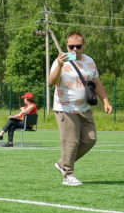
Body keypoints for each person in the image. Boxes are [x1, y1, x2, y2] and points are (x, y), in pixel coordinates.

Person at [48, 32, 112, 186]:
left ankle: (62, 163)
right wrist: (60, 64)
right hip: (65, 108)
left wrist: (106, 100)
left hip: (84, 108)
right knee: (71, 141)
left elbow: (96, 82)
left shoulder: (89, 61)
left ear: (84, 46)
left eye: (78, 46)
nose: (74, 49)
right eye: (71, 46)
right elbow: (52, 82)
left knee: (90, 139)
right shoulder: (60, 61)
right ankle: (68, 175)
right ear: (66, 46)